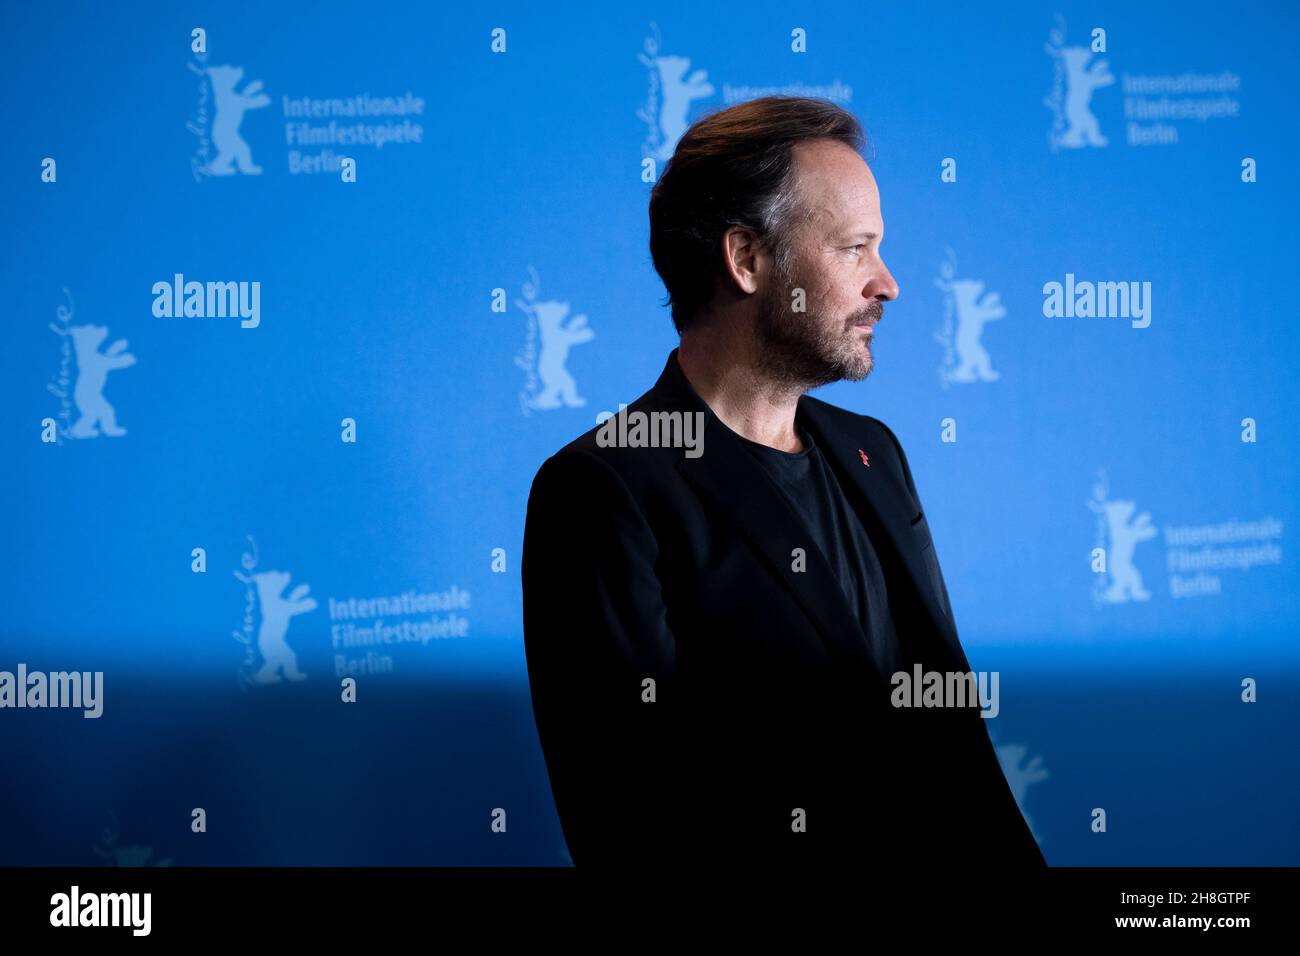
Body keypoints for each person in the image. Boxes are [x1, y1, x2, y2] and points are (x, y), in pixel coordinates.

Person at [522, 96, 1045, 872]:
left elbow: (952, 738)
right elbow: (630, 821)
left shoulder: (873, 452)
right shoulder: (603, 490)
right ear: (746, 259)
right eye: (854, 249)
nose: (888, 284)